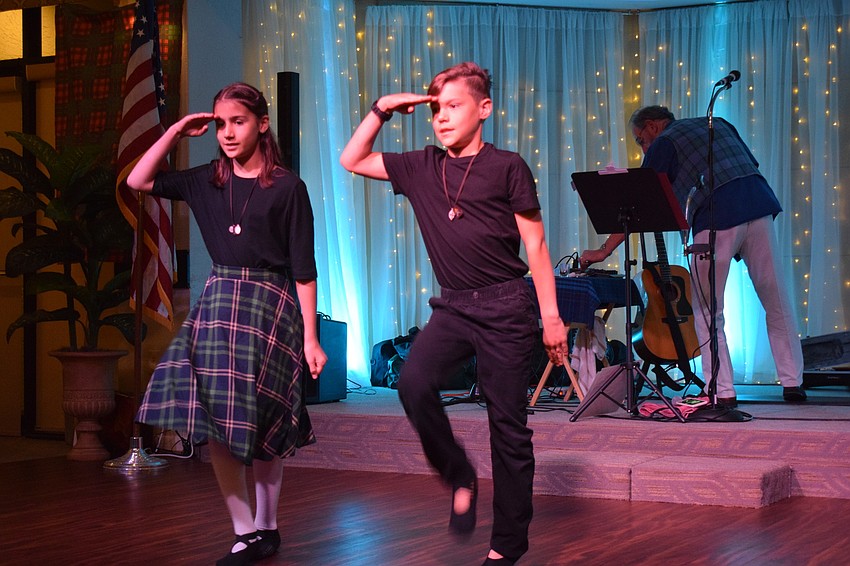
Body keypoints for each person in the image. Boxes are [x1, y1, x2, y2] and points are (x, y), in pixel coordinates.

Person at [340, 62, 568, 565]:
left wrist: (551, 317)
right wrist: (382, 110)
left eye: (454, 106)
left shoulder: (508, 166)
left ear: (484, 109)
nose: (442, 118)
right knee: (412, 384)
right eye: (436, 109)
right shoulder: (421, 166)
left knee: (507, 425)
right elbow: (351, 159)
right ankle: (458, 473)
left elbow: (536, 245)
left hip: (507, 305)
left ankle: (505, 548)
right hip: (454, 306)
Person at [128, 82, 327, 565]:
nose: (227, 132)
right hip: (220, 305)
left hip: (271, 307)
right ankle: (243, 533)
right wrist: (176, 130)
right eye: (219, 124)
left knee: (266, 421)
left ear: (261, 124)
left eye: (238, 121)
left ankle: (268, 526)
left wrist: (312, 338)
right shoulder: (205, 179)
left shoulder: (287, 187)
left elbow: (303, 269)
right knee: (217, 422)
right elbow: (137, 180)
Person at [579, 105, 805, 408]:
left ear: (653, 126)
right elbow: (747, 164)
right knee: (775, 299)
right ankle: (793, 383)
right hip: (759, 205)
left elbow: (640, 200)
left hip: (716, 215)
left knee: (707, 309)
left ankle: (722, 391)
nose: (643, 147)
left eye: (639, 140)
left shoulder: (663, 143)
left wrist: (604, 250)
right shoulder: (719, 122)